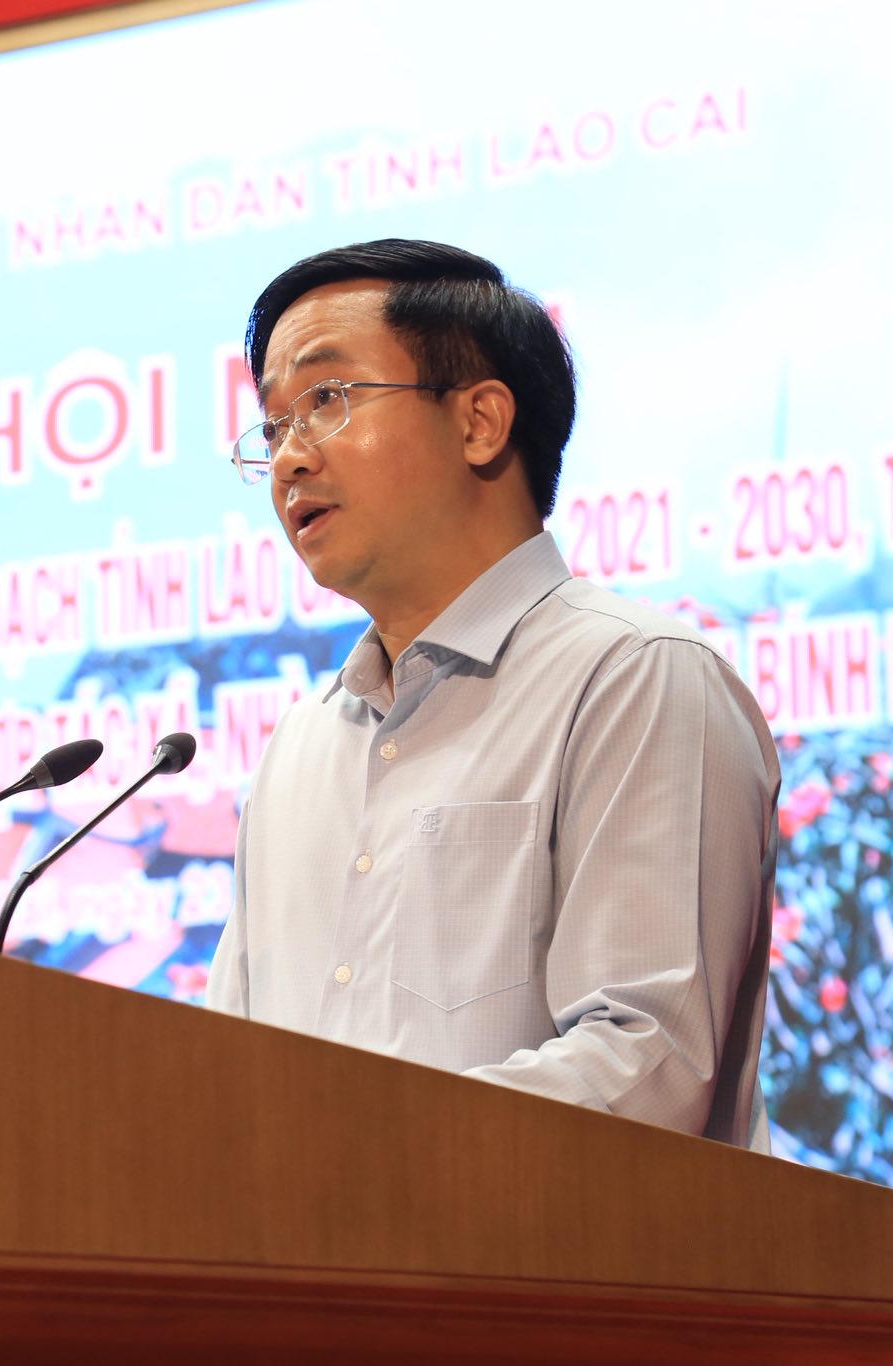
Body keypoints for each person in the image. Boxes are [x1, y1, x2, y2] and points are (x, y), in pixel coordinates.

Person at [205, 239, 780, 1149]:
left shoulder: (634, 677)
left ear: (479, 422)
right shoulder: (301, 749)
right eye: (273, 428)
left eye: (326, 400)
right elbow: (230, 1075)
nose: (288, 462)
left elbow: (647, 1066)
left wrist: (343, 1159)